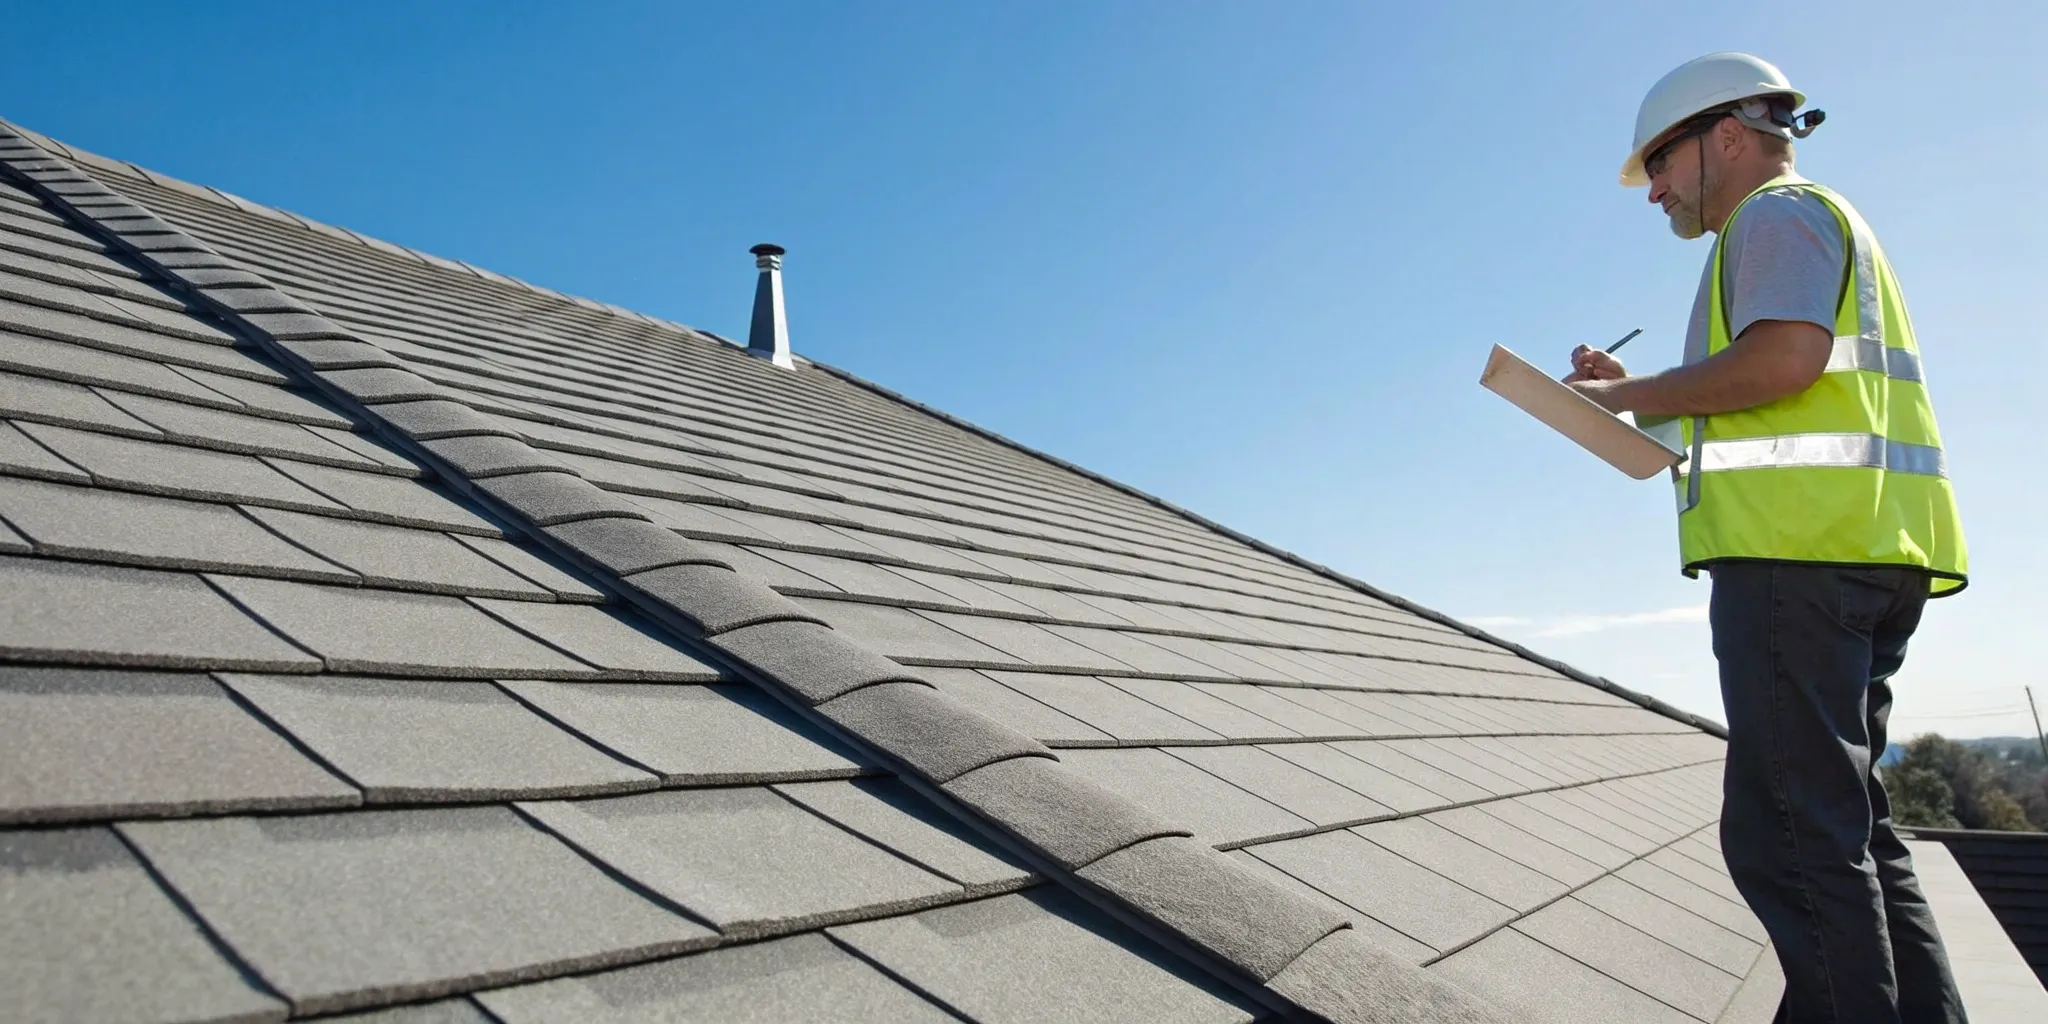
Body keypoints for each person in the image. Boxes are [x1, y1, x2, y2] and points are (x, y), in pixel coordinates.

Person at [1563, 52, 1971, 1023]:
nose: (1652, 188)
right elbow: (1764, 393)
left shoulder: (1774, 216)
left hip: (1799, 562)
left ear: (1726, 137)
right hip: (1861, 552)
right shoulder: (1804, 223)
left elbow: (1783, 360)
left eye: (1659, 162)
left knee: (1786, 835)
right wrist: (1635, 400)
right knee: (1849, 832)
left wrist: (1629, 393)